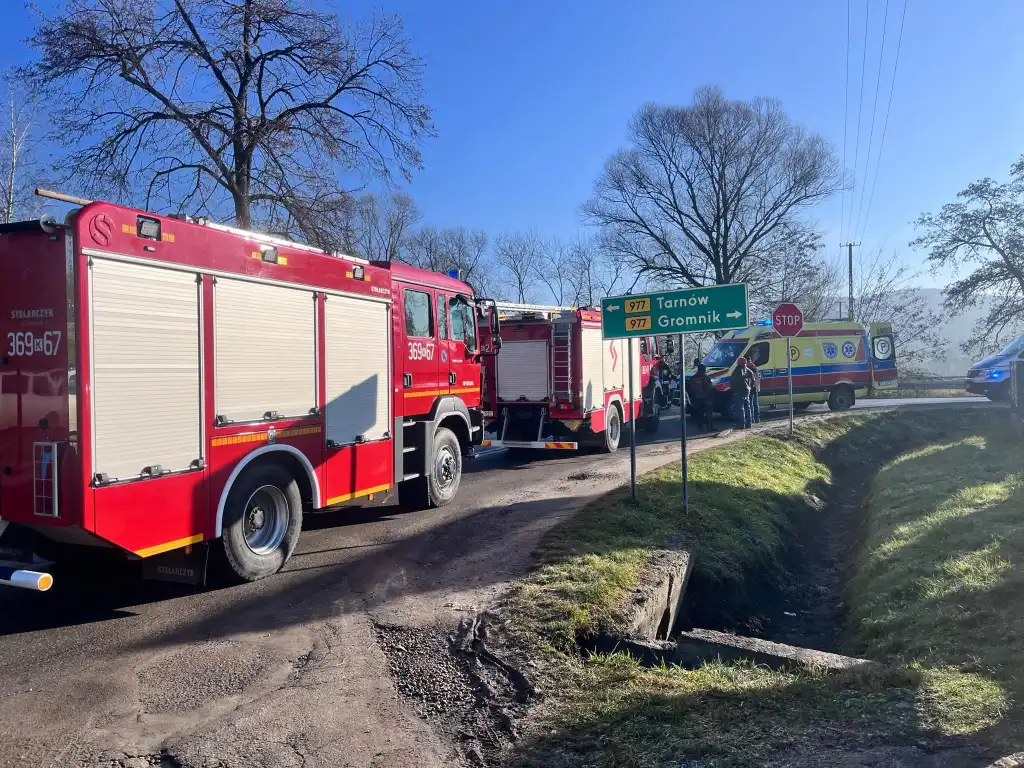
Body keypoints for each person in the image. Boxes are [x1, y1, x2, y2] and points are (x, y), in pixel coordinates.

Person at [687, 363, 717, 431]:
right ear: (704, 370)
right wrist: (712, 396)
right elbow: (709, 388)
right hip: (706, 398)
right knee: (709, 413)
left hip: (696, 399)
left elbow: (691, 389)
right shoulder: (705, 378)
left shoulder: (693, 378)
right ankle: (709, 427)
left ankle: (699, 426)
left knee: (699, 413)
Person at [729, 357, 754, 428]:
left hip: (739, 391)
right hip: (747, 391)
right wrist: (750, 387)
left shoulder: (736, 371)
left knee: (740, 408)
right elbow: (753, 380)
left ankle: (741, 424)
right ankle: (749, 423)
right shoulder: (749, 370)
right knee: (747, 407)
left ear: (738, 363)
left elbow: (733, 382)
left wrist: (733, 390)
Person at [744, 357, 761, 424]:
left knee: (750, 404)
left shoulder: (747, 366)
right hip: (756, 387)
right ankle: (757, 419)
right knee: (755, 403)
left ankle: (752, 419)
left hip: (750, 387)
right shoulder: (754, 366)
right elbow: (759, 376)